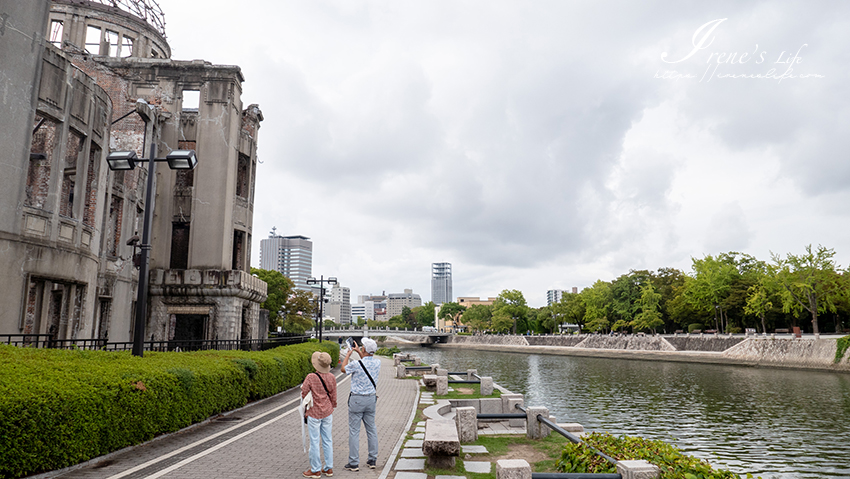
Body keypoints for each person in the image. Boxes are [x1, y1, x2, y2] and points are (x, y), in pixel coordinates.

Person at [340, 337, 381, 471]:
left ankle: (353, 462)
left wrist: (348, 354)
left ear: (364, 349)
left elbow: (343, 369)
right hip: (371, 399)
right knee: (371, 429)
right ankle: (372, 459)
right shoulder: (378, 363)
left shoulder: (356, 364)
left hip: (357, 400)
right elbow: (367, 360)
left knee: (354, 431)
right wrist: (359, 352)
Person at [302, 351, 337, 478]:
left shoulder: (311, 377)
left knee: (315, 441)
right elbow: (333, 396)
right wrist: (332, 405)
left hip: (314, 413)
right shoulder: (332, 377)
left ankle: (315, 469)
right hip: (327, 412)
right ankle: (328, 468)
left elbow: (304, 392)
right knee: (328, 440)